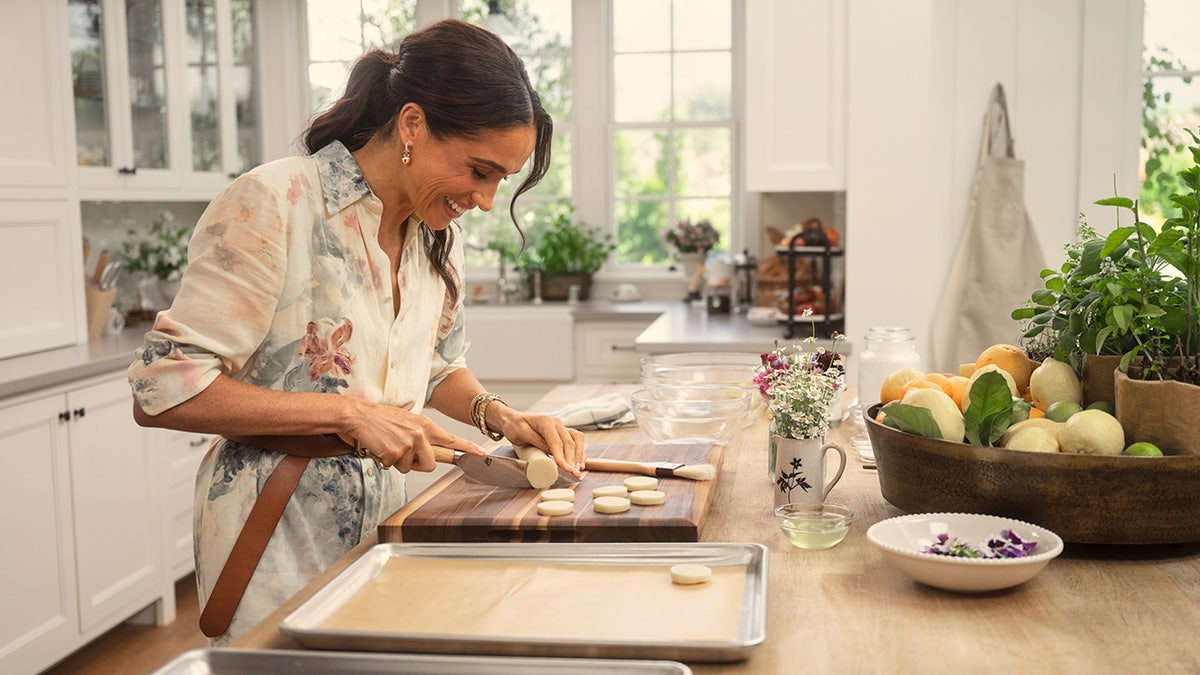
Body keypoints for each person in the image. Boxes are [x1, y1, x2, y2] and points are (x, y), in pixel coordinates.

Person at [127, 18, 584, 644]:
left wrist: (497, 415)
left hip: (391, 521)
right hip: (275, 534)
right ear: (413, 124)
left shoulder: (436, 243)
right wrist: (346, 415)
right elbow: (162, 389)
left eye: (500, 179)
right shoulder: (275, 202)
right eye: (479, 170)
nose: (485, 200)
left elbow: (436, 366)